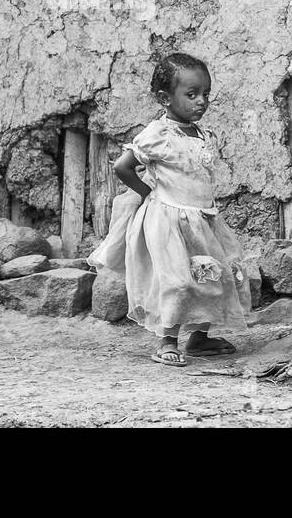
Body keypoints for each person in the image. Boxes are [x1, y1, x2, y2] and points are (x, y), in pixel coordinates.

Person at [87, 52, 251, 366]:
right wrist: (147, 191)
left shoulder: (201, 134)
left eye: (205, 95)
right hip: (169, 223)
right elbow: (123, 167)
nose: (201, 101)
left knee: (212, 279)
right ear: (165, 98)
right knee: (177, 281)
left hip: (202, 222)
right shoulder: (158, 135)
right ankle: (167, 340)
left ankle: (199, 339)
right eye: (191, 95)